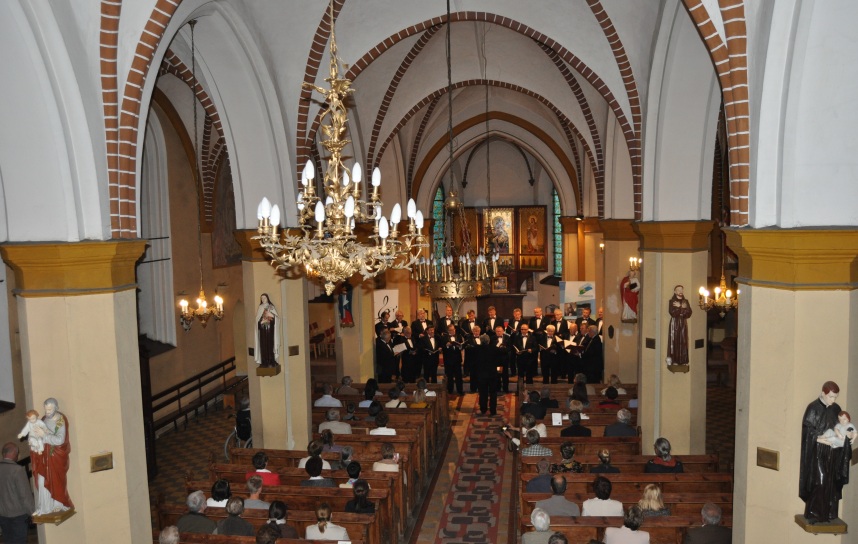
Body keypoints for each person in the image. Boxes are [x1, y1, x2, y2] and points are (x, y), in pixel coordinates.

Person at [799, 381, 855, 523]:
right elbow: (808, 431)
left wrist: (847, 434)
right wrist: (820, 438)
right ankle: (814, 513)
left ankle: (829, 513)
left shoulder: (836, 409)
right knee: (820, 480)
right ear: (823, 393)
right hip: (818, 451)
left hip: (834, 451)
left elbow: (843, 426)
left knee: (832, 483)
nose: (833, 400)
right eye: (830, 396)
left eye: (835, 397)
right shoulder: (813, 408)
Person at [30, 397, 73, 515]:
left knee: (56, 480)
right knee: (42, 480)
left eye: (50, 410)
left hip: (56, 456)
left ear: (56, 408)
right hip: (44, 457)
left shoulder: (61, 420)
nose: (47, 412)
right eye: (46, 410)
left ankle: (58, 503)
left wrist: (44, 435)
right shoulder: (43, 419)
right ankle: (44, 507)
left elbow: (60, 440)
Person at [0, 442, 34, 543]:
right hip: (18, 517)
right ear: (15, 453)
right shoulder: (17, 470)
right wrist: (33, 513)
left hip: (2, 515)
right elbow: (25, 496)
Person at [468, 325, 497, 414]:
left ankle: (483, 409)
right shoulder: (494, 349)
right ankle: (493, 410)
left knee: (483, 393)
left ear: (480, 340)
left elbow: (473, 361)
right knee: (493, 393)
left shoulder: (476, 349)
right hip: (492, 374)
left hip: (481, 374)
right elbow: (499, 360)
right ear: (488, 341)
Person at [667, 285, 692, 366]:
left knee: (684, 342)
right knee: (675, 341)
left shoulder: (686, 301)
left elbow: (688, 313)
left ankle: (684, 361)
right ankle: (675, 360)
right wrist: (682, 308)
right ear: (675, 292)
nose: (680, 291)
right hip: (675, 323)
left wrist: (679, 307)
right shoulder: (672, 301)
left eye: (682, 290)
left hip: (683, 323)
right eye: (678, 290)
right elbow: (673, 313)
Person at [254, 293, 280, 367]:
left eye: (264, 298)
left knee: (270, 344)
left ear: (267, 298)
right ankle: (264, 361)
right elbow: (257, 319)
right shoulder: (260, 307)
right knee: (263, 345)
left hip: (270, 329)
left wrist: (271, 315)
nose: (263, 299)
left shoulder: (271, 307)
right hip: (262, 329)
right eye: (262, 298)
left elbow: (277, 318)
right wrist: (260, 321)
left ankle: (271, 360)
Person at [442, 323, 465, 395]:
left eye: (453, 330)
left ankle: (460, 390)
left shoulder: (459, 336)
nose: (453, 331)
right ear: (448, 330)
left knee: (459, 376)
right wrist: (447, 345)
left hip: (457, 359)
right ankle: (450, 390)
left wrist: (460, 346)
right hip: (448, 360)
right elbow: (442, 347)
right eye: (451, 330)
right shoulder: (444, 337)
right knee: (449, 376)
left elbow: (462, 346)